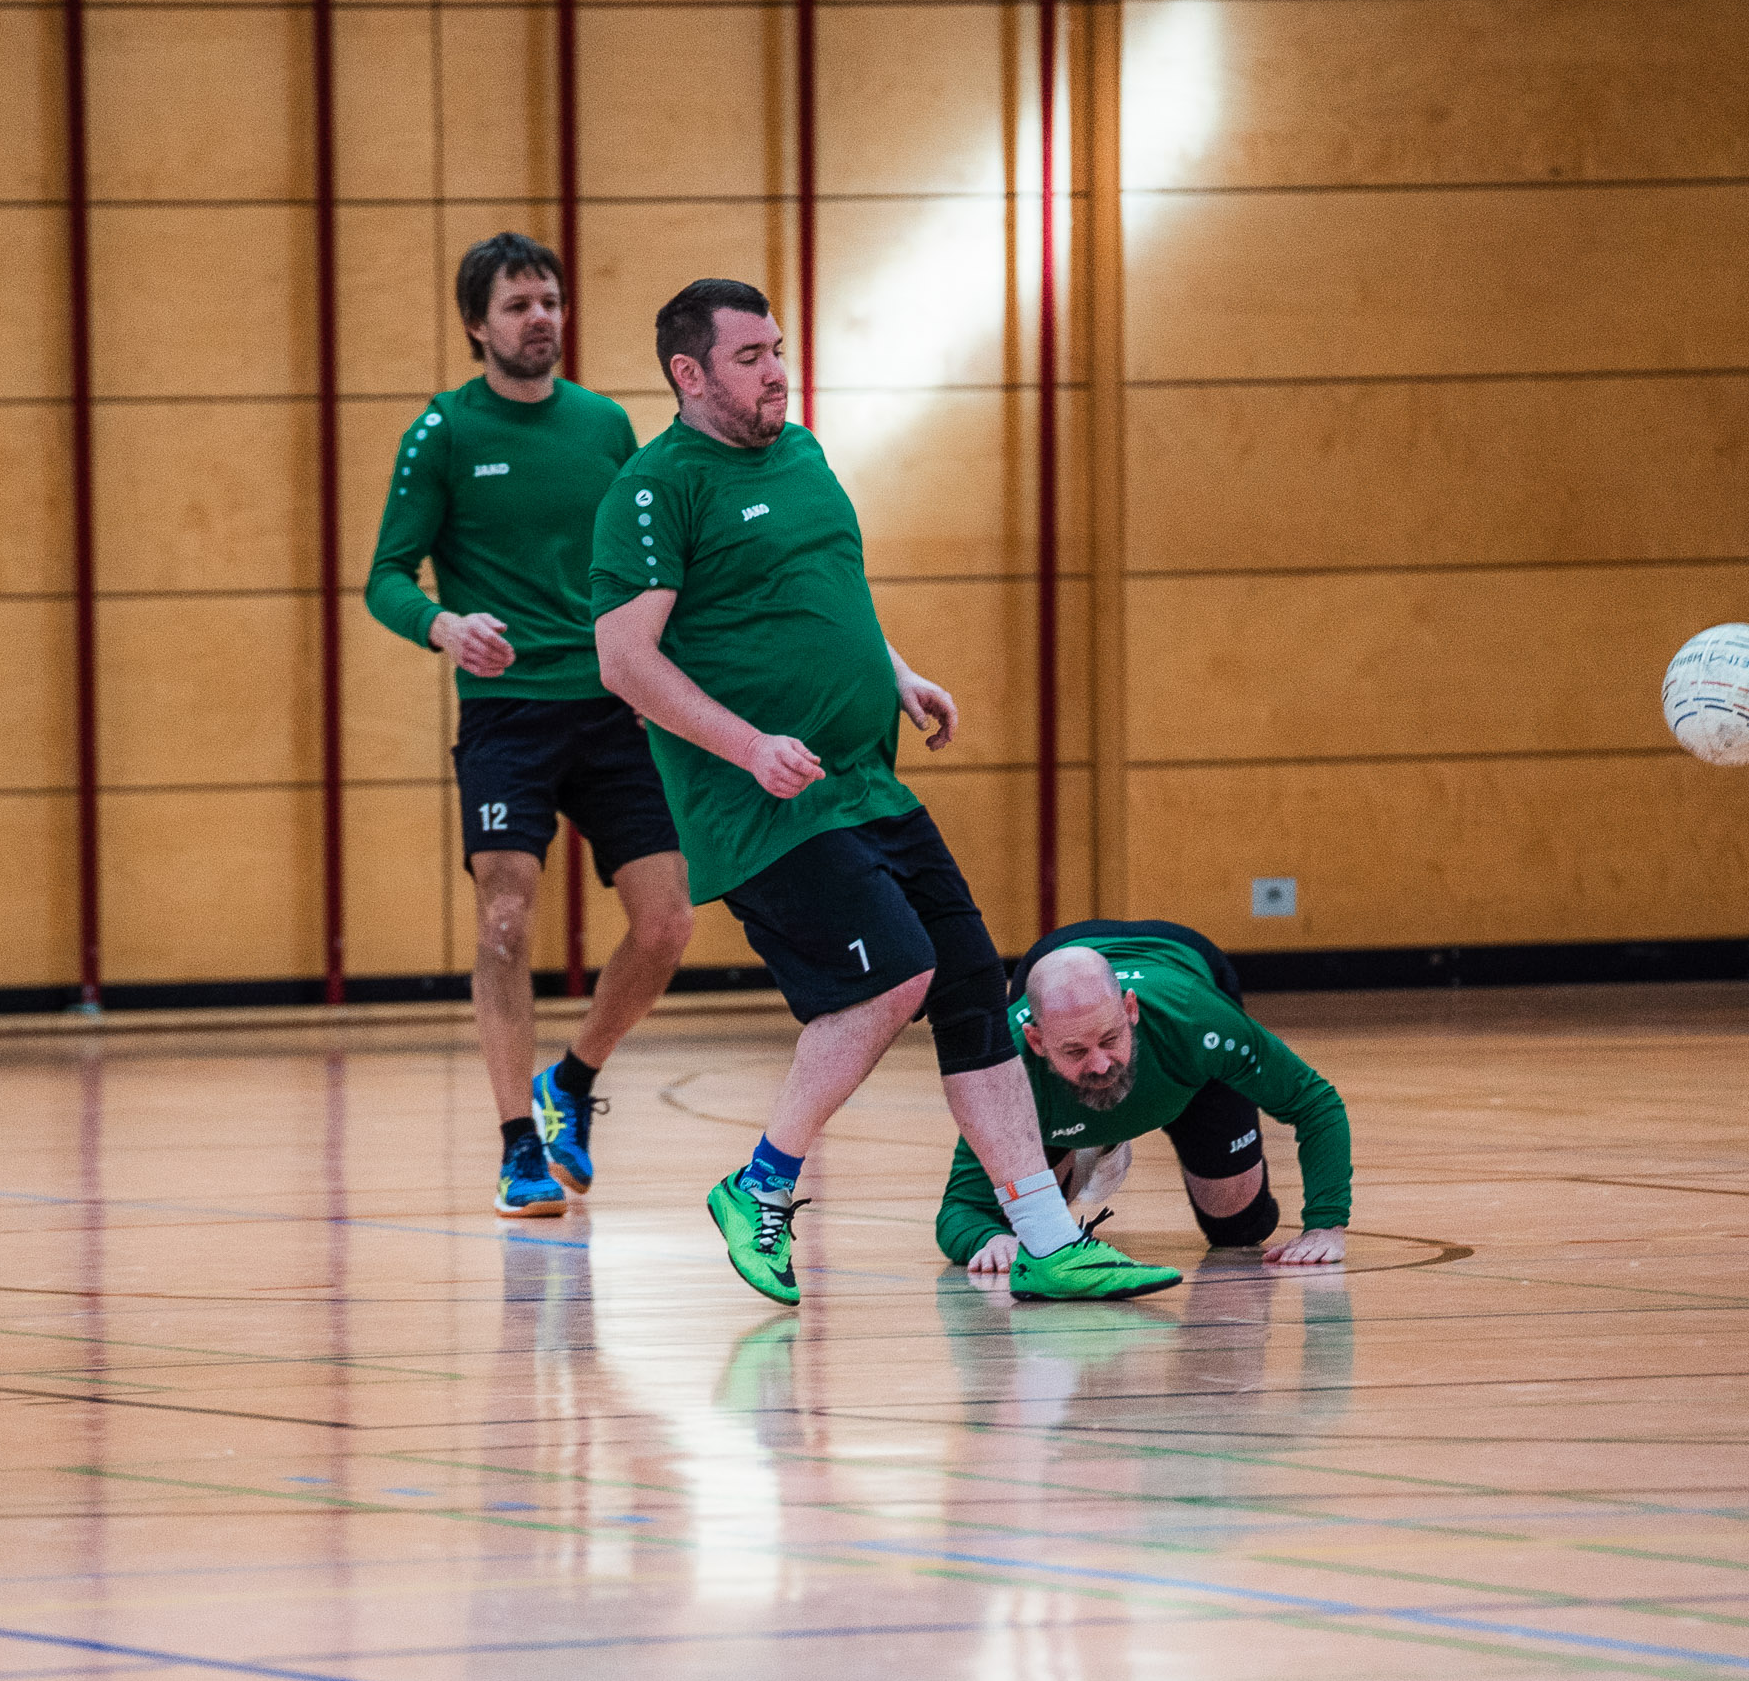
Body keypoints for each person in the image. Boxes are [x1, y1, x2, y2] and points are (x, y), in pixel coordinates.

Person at [589, 277, 1178, 1305]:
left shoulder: (804, 455)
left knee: (970, 987)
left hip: (864, 782)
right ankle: (759, 1184)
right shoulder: (654, 490)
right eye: (749, 357)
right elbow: (624, 660)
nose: (776, 371)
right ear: (690, 374)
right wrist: (748, 747)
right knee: (894, 972)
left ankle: (1047, 1238)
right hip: (765, 808)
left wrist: (894, 672)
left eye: (777, 349)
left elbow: (829, 592)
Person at [365, 234, 693, 1218]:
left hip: (613, 705)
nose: (539, 316)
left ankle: (573, 1079)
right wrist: (444, 625)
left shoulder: (604, 424)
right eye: (517, 304)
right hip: (507, 713)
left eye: (549, 299)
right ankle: (518, 1144)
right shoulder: (443, 432)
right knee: (506, 920)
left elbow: (651, 557)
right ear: (478, 324)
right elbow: (386, 576)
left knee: (668, 922)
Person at [931, 920, 1352, 1274]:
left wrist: (1326, 1225)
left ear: (1130, 1010)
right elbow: (960, 1209)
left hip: (1182, 1009)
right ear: (1037, 1040)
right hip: (1054, 1022)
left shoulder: (1199, 1019)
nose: (1100, 1065)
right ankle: (1097, 1138)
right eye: (1075, 1051)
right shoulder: (1007, 1061)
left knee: (1239, 1228)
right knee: (1024, 1227)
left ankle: (1102, 1126)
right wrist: (989, 1239)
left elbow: (1315, 1104)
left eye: (1110, 1039)